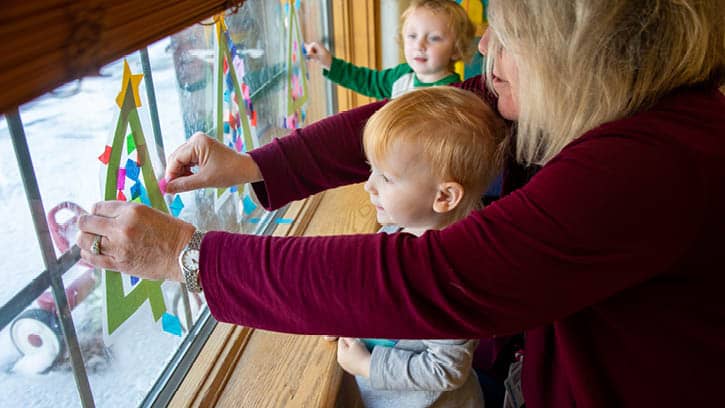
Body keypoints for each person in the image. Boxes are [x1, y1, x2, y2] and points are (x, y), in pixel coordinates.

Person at [77, 1, 725, 407]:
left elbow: (436, 278)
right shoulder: (606, 100)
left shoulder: (654, 161)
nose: (483, 53)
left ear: (586, 58)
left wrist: (188, 258)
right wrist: (257, 165)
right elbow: (427, 120)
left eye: (508, 40)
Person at [333, 86, 504, 407]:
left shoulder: (452, 278)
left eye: (386, 177)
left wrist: (367, 365)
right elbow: (377, 296)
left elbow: (447, 368)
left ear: (443, 197)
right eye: (372, 168)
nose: (369, 185)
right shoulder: (399, 231)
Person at [305, 0, 475, 99]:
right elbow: (368, 81)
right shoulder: (401, 75)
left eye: (434, 38)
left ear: (456, 50)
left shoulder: (454, 95)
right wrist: (329, 62)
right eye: (412, 36)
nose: (419, 45)